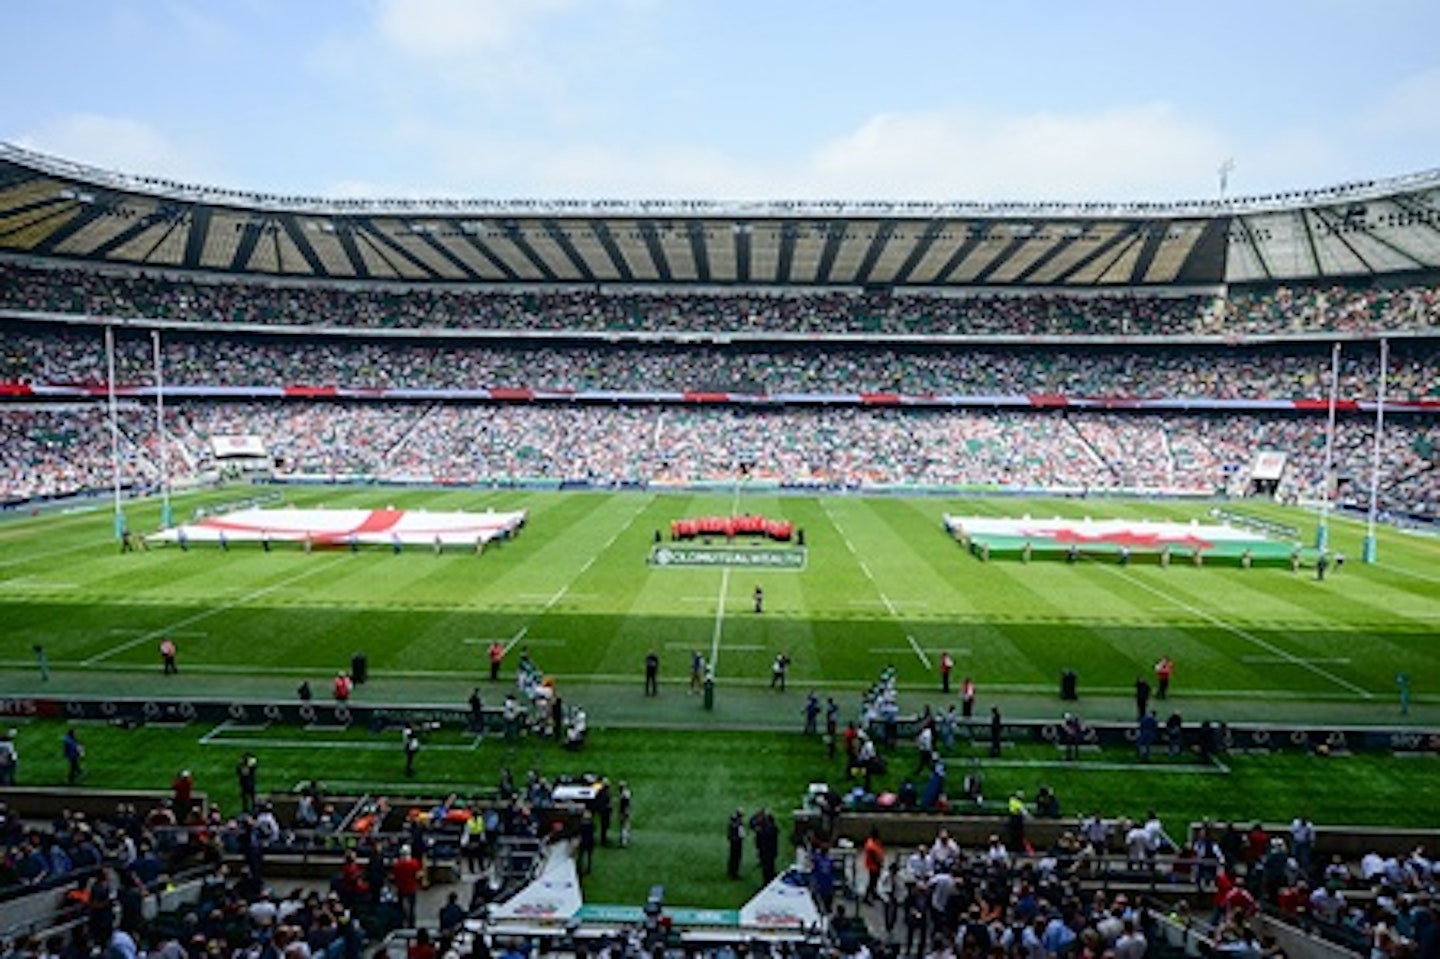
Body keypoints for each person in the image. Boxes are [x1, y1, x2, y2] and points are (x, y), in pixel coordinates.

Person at [727, 808, 745, 879]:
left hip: (733, 841)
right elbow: (741, 834)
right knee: (736, 858)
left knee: (732, 857)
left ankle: (731, 871)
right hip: (737, 842)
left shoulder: (732, 821)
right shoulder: (738, 824)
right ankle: (734, 873)